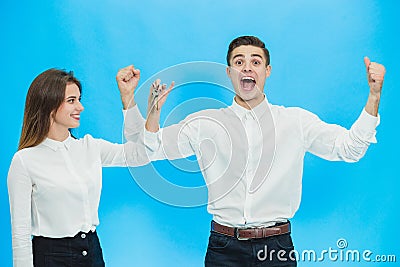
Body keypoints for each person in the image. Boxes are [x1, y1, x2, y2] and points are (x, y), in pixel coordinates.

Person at [120, 35, 385, 266]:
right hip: (223, 249)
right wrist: (140, 106)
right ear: (229, 72)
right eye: (239, 62)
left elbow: (350, 149)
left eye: (255, 62)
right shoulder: (204, 123)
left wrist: (373, 97)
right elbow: (148, 150)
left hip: (276, 249)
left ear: (267, 71)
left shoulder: (295, 121)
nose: (247, 67)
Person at [7, 67, 151, 267]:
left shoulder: (90, 147)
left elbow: (140, 154)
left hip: (92, 252)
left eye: (79, 99)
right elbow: (20, 233)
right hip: (50, 257)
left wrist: (128, 97)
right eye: (71, 101)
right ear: (49, 104)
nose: (81, 107)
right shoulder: (25, 160)